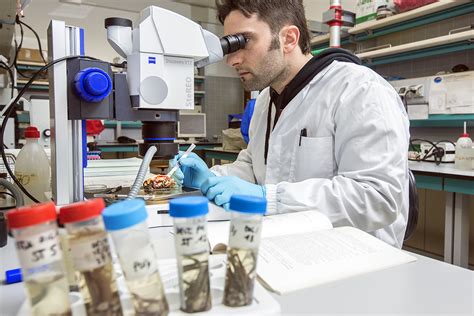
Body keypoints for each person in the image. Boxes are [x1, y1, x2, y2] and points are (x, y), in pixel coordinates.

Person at [174, 0, 410, 248]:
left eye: (243, 42)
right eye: (228, 46)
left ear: (288, 39)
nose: (231, 60)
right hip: (290, 247)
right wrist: (208, 178)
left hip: (357, 258)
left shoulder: (359, 90)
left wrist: (270, 198)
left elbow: (377, 198)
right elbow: (256, 167)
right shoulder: (267, 98)